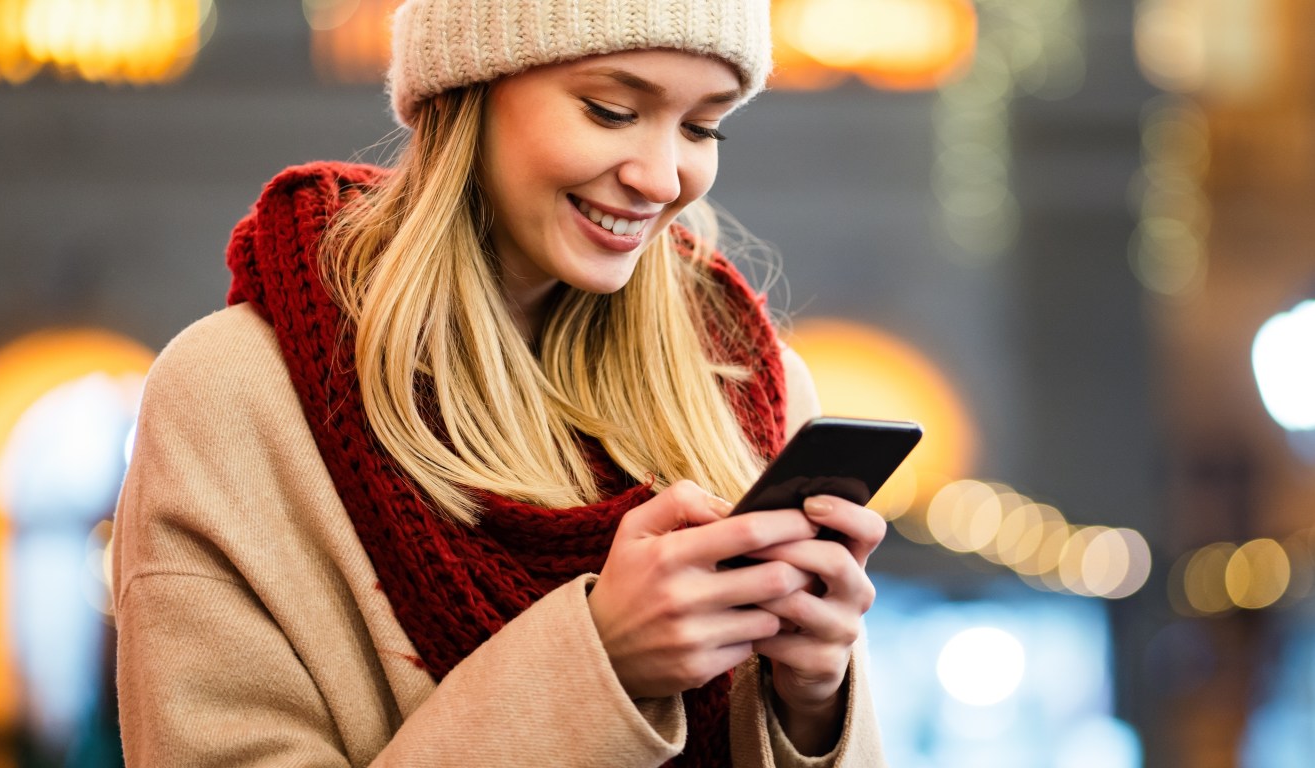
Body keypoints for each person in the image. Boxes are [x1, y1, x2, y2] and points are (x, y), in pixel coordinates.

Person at [109, 1, 888, 765]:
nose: (661, 178)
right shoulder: (236, 397)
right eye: (611, 110)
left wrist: (813, 704)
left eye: (701, 127)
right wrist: (599, 668)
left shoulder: (751, 391)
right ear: (470, 88)